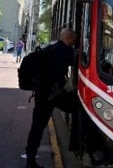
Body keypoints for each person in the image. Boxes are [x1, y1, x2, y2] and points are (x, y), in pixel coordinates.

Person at [25, 28, 76, 168]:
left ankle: (30, 160)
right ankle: (75, 143)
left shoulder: (51, 48)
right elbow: (81, 63)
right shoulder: (66, 51)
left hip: (41, 93)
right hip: (53, 95)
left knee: (37, 127)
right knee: (78, 109)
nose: (74, 43)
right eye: (73, 40)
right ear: (69, 39)